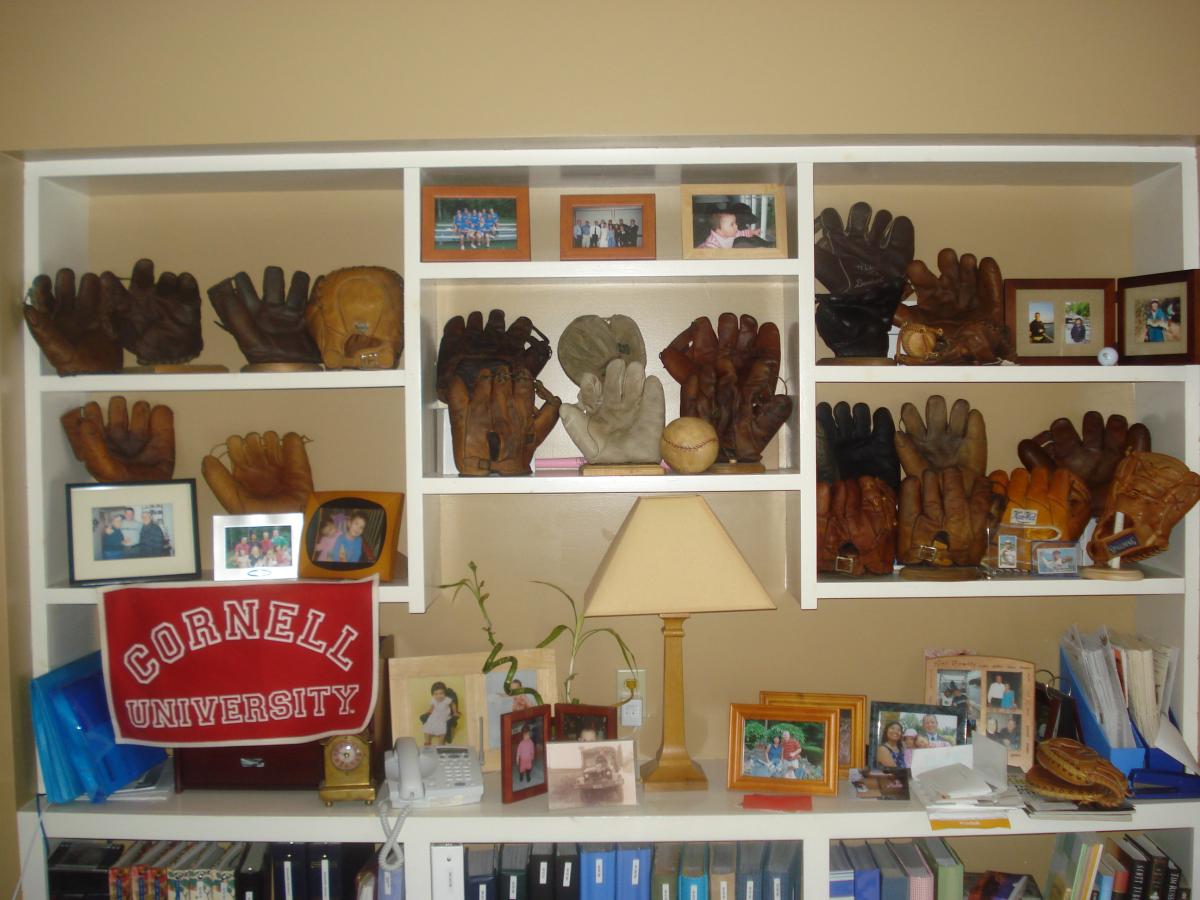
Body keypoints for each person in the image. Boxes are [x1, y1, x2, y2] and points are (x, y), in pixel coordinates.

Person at [695, 210, 760, 250]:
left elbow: (742, 233)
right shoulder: (712, 243)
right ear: (719, 231)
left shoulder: (733, 233)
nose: (736, 225)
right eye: (732, 224)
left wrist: (752, 232)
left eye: (735, 223)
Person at [421, 681, 458, 746]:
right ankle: (427, 741)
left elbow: (453, 704)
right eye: (436, 694)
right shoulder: (433, 700)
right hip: (435, 715)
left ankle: (440, 743)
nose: (439, 696)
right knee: (427, 726)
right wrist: (429, 711)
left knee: (442, 728)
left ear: (445, 693)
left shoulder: (447, 699)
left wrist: (455, 712)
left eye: (441, 693)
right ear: (433, 695)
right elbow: (432, 706)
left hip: (444, 716)